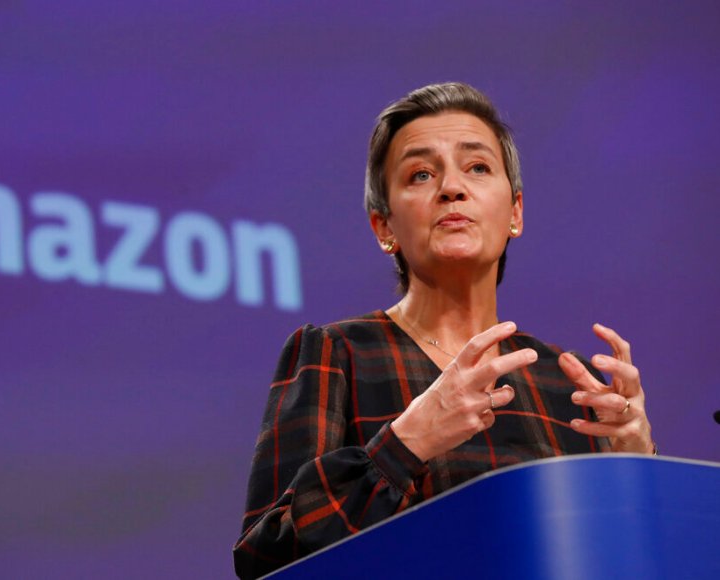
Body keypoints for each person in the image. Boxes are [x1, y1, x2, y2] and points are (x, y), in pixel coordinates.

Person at [232, 82, 655, 578]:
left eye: (477, 167)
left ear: (515, 212)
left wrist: (640, 468)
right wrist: (405, 444)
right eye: (421, 174)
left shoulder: (572, 383)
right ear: (383, 227)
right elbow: (266, 556)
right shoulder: (338, 352)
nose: (452, 188)